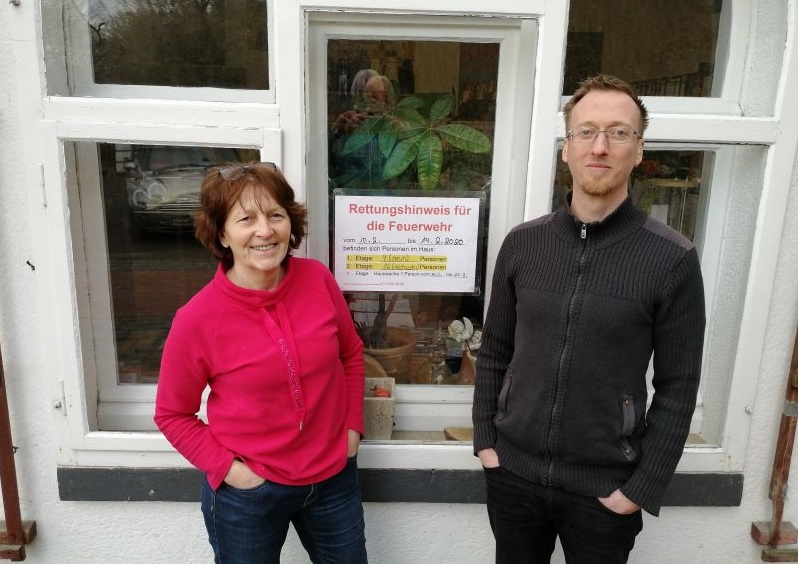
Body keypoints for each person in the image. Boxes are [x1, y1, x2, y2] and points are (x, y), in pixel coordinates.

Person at [472, 74, 706, 564]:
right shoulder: (523, 244)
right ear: (567, 147)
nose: (600, 146)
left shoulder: (672, 259)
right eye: (586, 131)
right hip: (513, 476)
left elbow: (679, 386)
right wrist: (487, 444)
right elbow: (494, 350)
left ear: (639, 150)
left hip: (605, 490)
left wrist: (642, 487)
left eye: (619, 132)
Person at [154, 161, 368, 564]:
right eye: (246, 219)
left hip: (333, 478)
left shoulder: (318, 280)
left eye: (275, 215)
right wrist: (232, 471)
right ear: (222, 233)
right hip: (249, 494)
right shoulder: (197, 318)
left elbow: (350, 354)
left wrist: (352, 429)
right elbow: (172, 414)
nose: (265, 231)